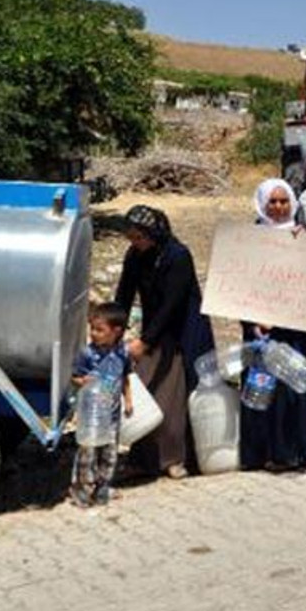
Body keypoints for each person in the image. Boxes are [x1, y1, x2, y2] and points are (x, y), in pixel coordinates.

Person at [114, 205, 215, 480]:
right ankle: (144, 459)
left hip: (184, 331)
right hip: (156, 330)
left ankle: (175, 458)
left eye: (138, 237)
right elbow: (124, 294)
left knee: (174, 395)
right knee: (146, 390)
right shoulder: (136, 255)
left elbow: (173, 304)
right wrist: (113, 330)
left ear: (153, 233)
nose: (135, 243)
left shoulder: (177, 256)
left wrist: (145, 342)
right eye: (131, 238)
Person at [242, 179, 306, 471]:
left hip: (299, 330)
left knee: (299, 388)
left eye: (284, 202)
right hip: (264, 329)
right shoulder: (250, 239)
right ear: (262, 204)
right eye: (273, 202)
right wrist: (255, 320)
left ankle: (304, 448)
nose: (279, 208)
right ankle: (272, 452)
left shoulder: (305, 236)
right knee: (270, 390)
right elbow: (240, 284)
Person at [69, 302, 134, 507]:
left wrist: (129, 401)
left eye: (99, 330)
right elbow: (75, 377)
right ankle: (82, 487)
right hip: (91, 413)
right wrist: (83, 382)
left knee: (110, 451)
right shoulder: (88, 354)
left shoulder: (122, 352)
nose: (94, 334)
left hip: (112, 414)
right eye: (92, 329)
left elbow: (125, 377)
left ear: (116, 331)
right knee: (87, 451)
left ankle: (103, 486)